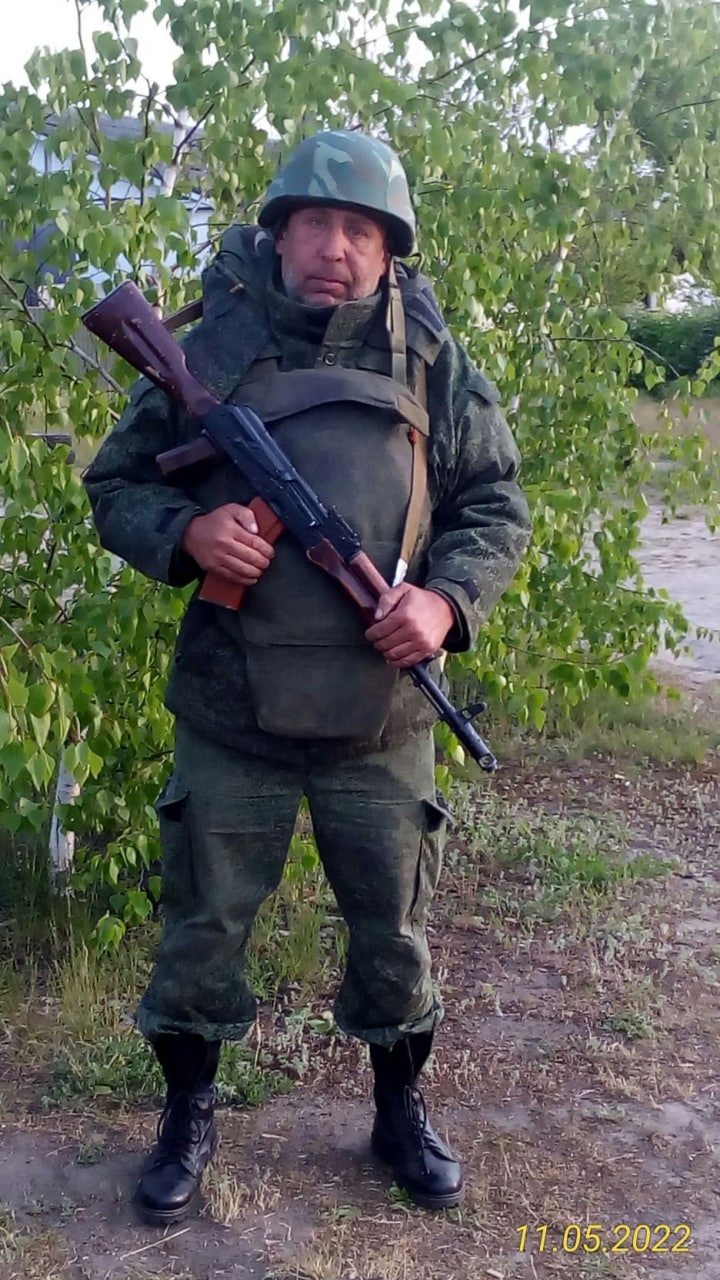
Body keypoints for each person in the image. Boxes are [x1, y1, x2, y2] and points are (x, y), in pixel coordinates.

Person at [83, 129, 531, 1225]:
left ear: (389, 249)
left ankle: (398, 1108)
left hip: (382, 718)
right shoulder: (217, 345)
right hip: (231, 709)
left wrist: (444, 603)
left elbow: (494, 505)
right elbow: (117, 486)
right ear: (279, 234)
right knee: (202, 930)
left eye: (361, 230)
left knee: (395, 935)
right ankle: (187, 1113)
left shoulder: (431, 358)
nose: (337, 248)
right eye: (317, 224)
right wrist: (189, 535)